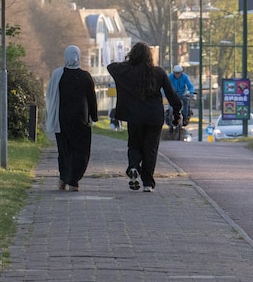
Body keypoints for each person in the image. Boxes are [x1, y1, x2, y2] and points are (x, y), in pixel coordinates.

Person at [107, 42, 182, 193]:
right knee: (151, 148)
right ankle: (148, 183)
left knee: (134, 144)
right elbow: (171, 95)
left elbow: (111, 67)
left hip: (134, 116)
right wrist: (177, 110)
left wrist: (130, 63)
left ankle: (134, 167)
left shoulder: (126, 71)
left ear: (132, 55)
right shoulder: (159, 73)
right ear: (149, 56)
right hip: (154, 116)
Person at [44, 45, 98, 192]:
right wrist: (94, 116)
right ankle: (73, 180)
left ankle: (63, 178)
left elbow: (50, 95)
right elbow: (91, 98)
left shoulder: (58, 75)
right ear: (79, 57)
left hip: (62, 119)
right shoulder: (85, 76)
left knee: (64, 150)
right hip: (81, 120)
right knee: (81, 150)